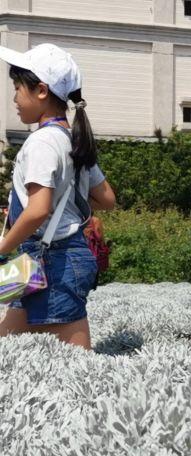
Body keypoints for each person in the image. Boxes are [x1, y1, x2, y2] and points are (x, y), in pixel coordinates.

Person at [0, 43, 115, 349]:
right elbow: (107, 199)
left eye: (17, 88)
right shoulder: (70, 140)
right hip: (45, 259)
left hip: (52, 261)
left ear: (41, 90)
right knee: (7, 346)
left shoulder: (41, 142)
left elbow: (37, 211)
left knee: (74, 367)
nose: (14, 97)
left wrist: (2, 248)